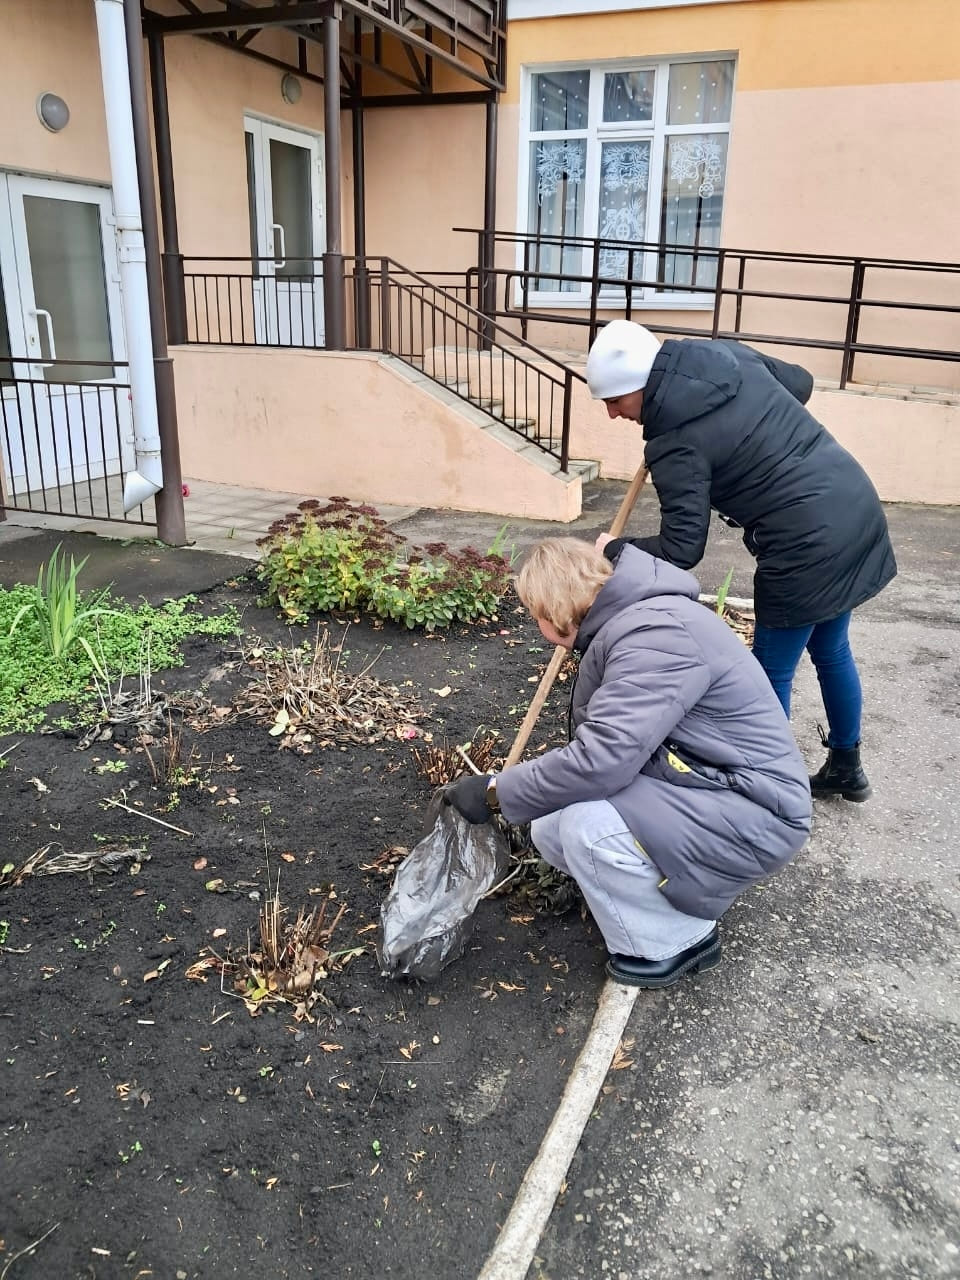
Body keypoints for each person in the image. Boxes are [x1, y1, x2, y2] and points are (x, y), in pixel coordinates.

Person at [442, 538, 811, 989]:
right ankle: (663, 895)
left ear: (553, 612)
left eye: (534, 613)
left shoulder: (656, 638)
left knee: (587, 828)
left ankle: (680, 941)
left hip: (759, 812)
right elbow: (610, 748)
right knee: (550, 825)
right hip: (711, 786)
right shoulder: (637, 621)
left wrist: (494, 792)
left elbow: (601, 761)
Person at [583, 319, 897, 802]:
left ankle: (769, 796)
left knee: (767, 676)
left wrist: (613, 548)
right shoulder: (725, 357)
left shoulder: (675, 443)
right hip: (851, 505)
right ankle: (846, 766)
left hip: (804, 545)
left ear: (641, 386)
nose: (611, 414)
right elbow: (800, 383)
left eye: (616, 401)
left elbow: (681, 550)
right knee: (832, 649)